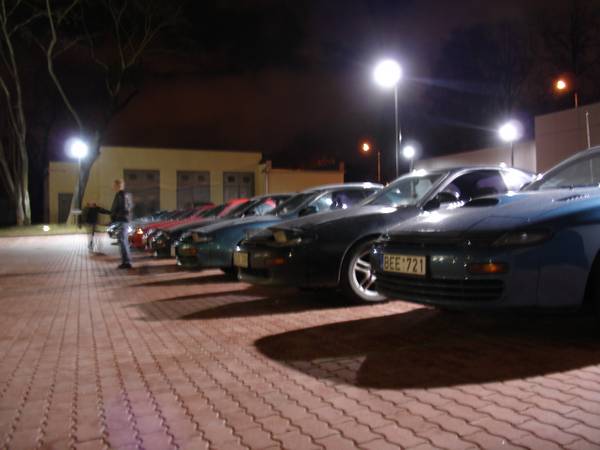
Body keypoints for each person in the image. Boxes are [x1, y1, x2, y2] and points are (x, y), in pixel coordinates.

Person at [110, 179, 133, 269]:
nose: (112, 186)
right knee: (123, 241)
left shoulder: (120, 195)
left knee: (123, 242)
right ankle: (126, 261)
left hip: (121, 220)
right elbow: (128, 208)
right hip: (124, 220)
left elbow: (124, 208)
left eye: (114, 185)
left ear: (117, 185)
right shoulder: (126, 194)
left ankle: (126, 262)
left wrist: (115, 217)